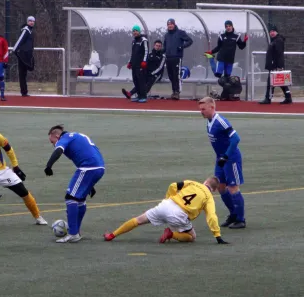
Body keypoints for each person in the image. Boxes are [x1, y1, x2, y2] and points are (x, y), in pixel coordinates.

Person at [103, 178, 229, 244]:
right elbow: (211, 216)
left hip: (167, 204)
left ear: (205, 182)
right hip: (179, 215)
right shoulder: (209, 198)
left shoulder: (193, 183)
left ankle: (112, 235)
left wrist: (169, 198)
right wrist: (217, 236)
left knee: (138, 220)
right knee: (192, 237)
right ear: (213, 190)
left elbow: (173, 185)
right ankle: (171, 234)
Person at [44, 125, 105, 243]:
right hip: (99, 167)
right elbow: (86, 152)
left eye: (52, 141)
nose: (53, 144)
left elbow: (58, 150)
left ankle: (73, 233)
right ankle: (76, 231)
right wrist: (90, 184)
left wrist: (49, 166)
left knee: (70, 198)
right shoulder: (76, 135)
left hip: (88, 168)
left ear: (56, 135)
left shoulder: (65, 138)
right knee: (80, 199)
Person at [198, 97, 246, 229]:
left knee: (233, 188)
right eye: (200, 109)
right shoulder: (209, 121)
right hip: (220, 158)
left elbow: (236, 138)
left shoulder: (221, 121)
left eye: (203, 109)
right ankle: (233, 214)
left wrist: (226, 155)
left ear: (212, 107)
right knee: (220, 186)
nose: (201, 112)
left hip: (231, 158)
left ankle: (241, 219)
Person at [259, 24, 292, 105]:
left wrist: (279, 66)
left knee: (270, 82)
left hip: (276, 65)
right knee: (281, 83)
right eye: (270, 31)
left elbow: (279, 54)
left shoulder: (278, 41)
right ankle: (288, 97)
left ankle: (268, 98)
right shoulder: (273, 40)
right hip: (274, 65)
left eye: (273, 31)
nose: (272, 33)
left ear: (276, 32)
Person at [163, 18, 193, 100]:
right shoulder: (166, 35)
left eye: (171, 24)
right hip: (168, 57)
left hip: (177, 57)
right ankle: (174, 91)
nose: (170, 26)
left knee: (176, 75)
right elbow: (165, 46)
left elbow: (190, 41)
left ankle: (177, 92)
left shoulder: (180, 33)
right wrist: (161, 51)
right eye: (168, 24)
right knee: (170, 75)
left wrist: (181, 47)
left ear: (174, 24)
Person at [121, 25, 149, 103]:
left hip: (141, 65)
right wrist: (130, 62)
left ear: (139, 31)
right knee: (136, 81)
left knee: (141, 81)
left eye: (136, 31)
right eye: (133, 31)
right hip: (134, 65)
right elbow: (133, 53)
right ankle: (139, 96)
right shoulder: (134, 41)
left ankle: (143, 96)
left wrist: (144, 61)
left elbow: (146, 52)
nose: (135, 32)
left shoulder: (144, 40)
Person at [12, 16, 36, 97]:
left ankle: (24, 91)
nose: (31, 22)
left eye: (33, 21)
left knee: (25, 73)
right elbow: (19, 41)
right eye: (30, 21)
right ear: (27, 21)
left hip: (27, 55)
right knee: (22, 74)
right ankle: (24, 92)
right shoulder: (26, 30)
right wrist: (16, 51)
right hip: (22, 55)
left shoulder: (31, 31)